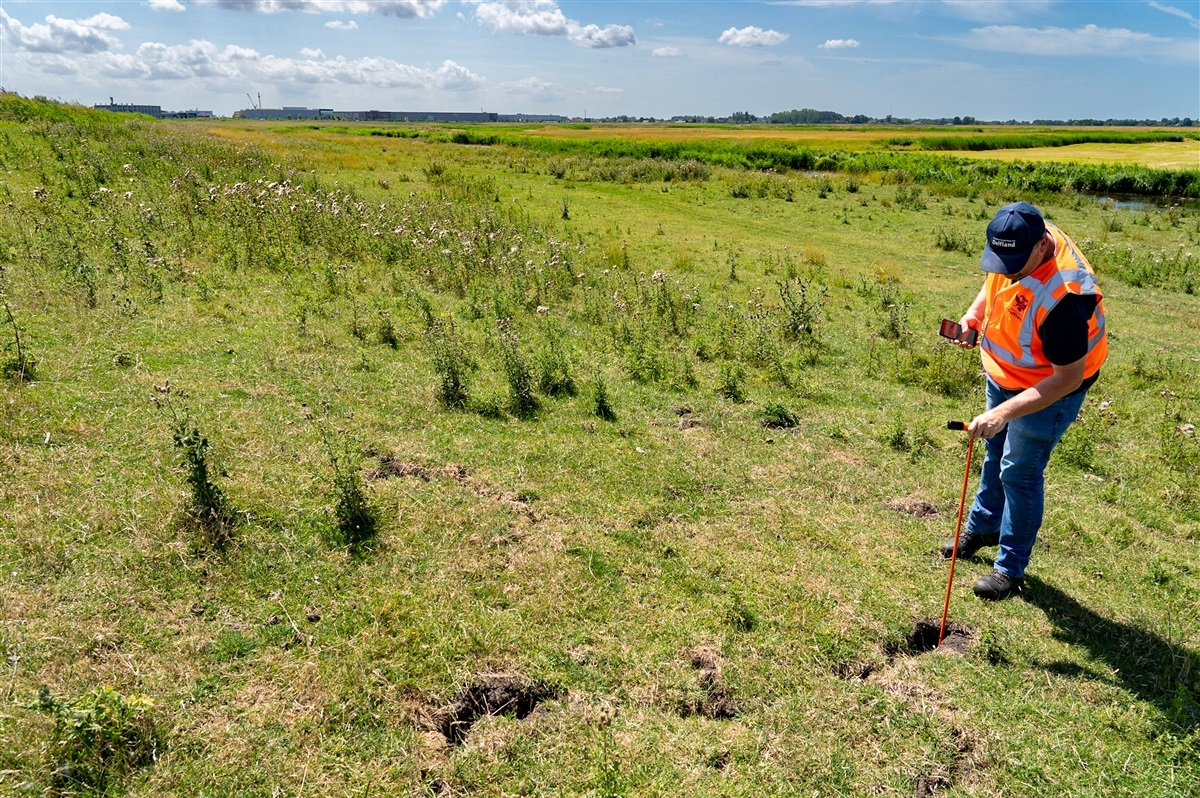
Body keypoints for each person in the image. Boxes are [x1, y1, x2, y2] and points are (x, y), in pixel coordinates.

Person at [942, 201, 1107, 600]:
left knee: (1019, 471)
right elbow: (993, 285)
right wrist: (972, 319)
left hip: (1050, 388)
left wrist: (1003, 411)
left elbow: (1066, 378)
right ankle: (983, 528)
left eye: (1014, 262)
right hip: (1004, 374)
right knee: (994, 450)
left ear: (1041, 246)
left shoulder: (1067, 299)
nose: (1006, 268)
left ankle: (1009, 569)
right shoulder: (1017, 239)